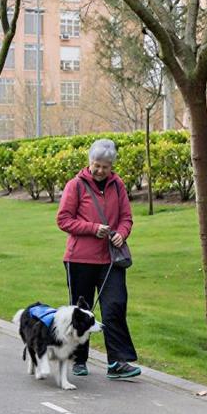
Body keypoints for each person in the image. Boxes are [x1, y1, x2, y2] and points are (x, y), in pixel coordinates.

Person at [55, 138, 140, 380]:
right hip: (79, 259)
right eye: (96, 165)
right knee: (80, 310)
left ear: (112, 166)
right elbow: (63, 220)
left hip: (110, 260)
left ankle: (117, 362)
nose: (100, 170)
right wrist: (93, 228)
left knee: (115, 306)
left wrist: (121, 234)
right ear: (89, 162)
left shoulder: (118, 186)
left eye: (105, 166)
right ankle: (79, 360)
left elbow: (126, 218)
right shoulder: (76, 185)